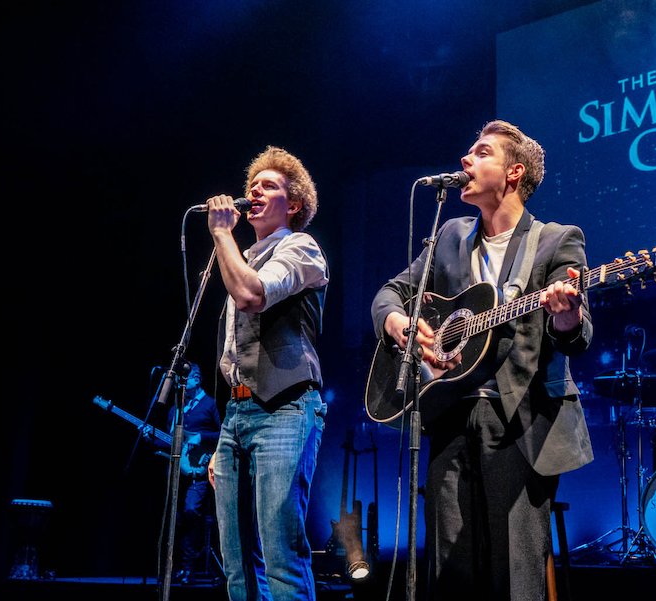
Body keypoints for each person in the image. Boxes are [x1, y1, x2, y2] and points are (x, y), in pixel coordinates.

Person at [371, 119, 595, 600]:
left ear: (514, 173)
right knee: (450, 572)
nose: (464, 160)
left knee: (513, 572)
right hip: (449, 414)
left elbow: (575, 336)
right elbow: (391, 293)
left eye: (481, 152)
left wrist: (566, 314)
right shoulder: (450, 234)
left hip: (517, 418)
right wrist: (400, 323)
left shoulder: (556, 240)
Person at [204, 145, 330, 601]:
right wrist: (226, 437)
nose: (254, 191)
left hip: (286, 408)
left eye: (268, 186)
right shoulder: (243, 257)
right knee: (236, 564)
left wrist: (222, 236)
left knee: (280, 555)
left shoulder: (301, 248)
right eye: (252, 185)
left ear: (292, 205)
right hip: (237, 415)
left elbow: (252, 296)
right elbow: (232, 355)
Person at [166, 361, 222, 584]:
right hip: (176, 472)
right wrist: (150, 434)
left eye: (185, 378)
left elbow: (223, 435)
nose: (181, 382)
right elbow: (169, 443)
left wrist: (201, 438)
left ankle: (188, 567)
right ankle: (173, 568)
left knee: (190, 513)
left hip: (199, 472)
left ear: (196, 379)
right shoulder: (175, 408)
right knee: (174, 518)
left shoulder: (209, 405)